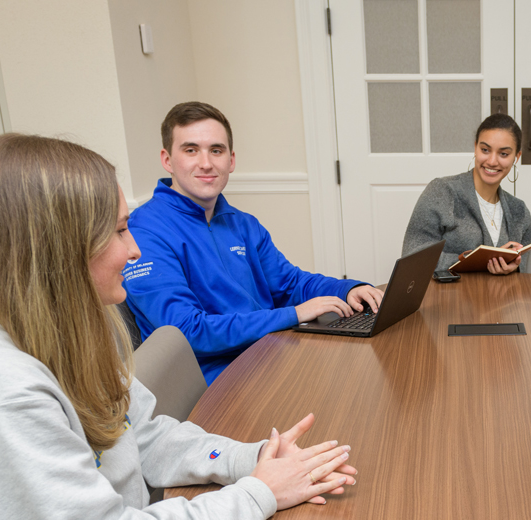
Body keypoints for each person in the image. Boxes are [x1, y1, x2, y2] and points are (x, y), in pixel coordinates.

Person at [0, 134, 358, 520]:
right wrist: (261, 492)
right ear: (57, 249)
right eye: (121, 230)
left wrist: (251, 458)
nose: (135, 249)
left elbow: (142, 434)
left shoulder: (76, 324)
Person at [123, 102, 384, 384]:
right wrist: (293, 315)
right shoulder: (144, 232)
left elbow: (290, 284)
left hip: (270, 355)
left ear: (231, 160)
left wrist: (348, 290)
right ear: (167, 159)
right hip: (214, 382)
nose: (206, 163)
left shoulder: (242, 223)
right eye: (190, 150)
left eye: (216, 150)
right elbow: (186, 332)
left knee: (363, 371)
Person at [402, 113, 531, 274]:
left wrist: (513, 268)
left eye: (504, 154)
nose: (492, 161)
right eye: (485, 150)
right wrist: (478, 261)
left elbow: (523, 278)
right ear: (475, 147)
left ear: (516, 157)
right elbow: (412, 259)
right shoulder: (442, 192)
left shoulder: (519, 212)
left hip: (501, 299)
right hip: (445, 298)